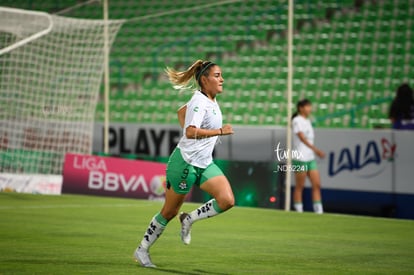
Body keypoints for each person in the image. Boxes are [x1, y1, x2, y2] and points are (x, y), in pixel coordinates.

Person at [134, 60, 235, 268]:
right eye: (217, 76)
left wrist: (200, 142)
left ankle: (189, 219)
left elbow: (181, 112)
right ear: (205, 80)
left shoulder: (208, 99)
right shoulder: (200, 101)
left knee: (227, 200)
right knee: (169, 212)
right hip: (185, 164)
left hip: (204, 163)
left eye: (221, 75)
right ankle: (142, 250)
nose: (222, 79)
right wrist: (219, 132)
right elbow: (189, 131)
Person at [291, 99, 325, 214]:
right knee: (300, 185)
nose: (309, 109)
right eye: (307, 106)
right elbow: (301, 137)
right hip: (300, 157)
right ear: (301, 108)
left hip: (310, 158)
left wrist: (313, 152)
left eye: (310, 106)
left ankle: (319, 210)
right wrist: (316, 150)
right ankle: (299, 210)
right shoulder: (296, 120)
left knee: (317, 184)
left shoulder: (308, 121)